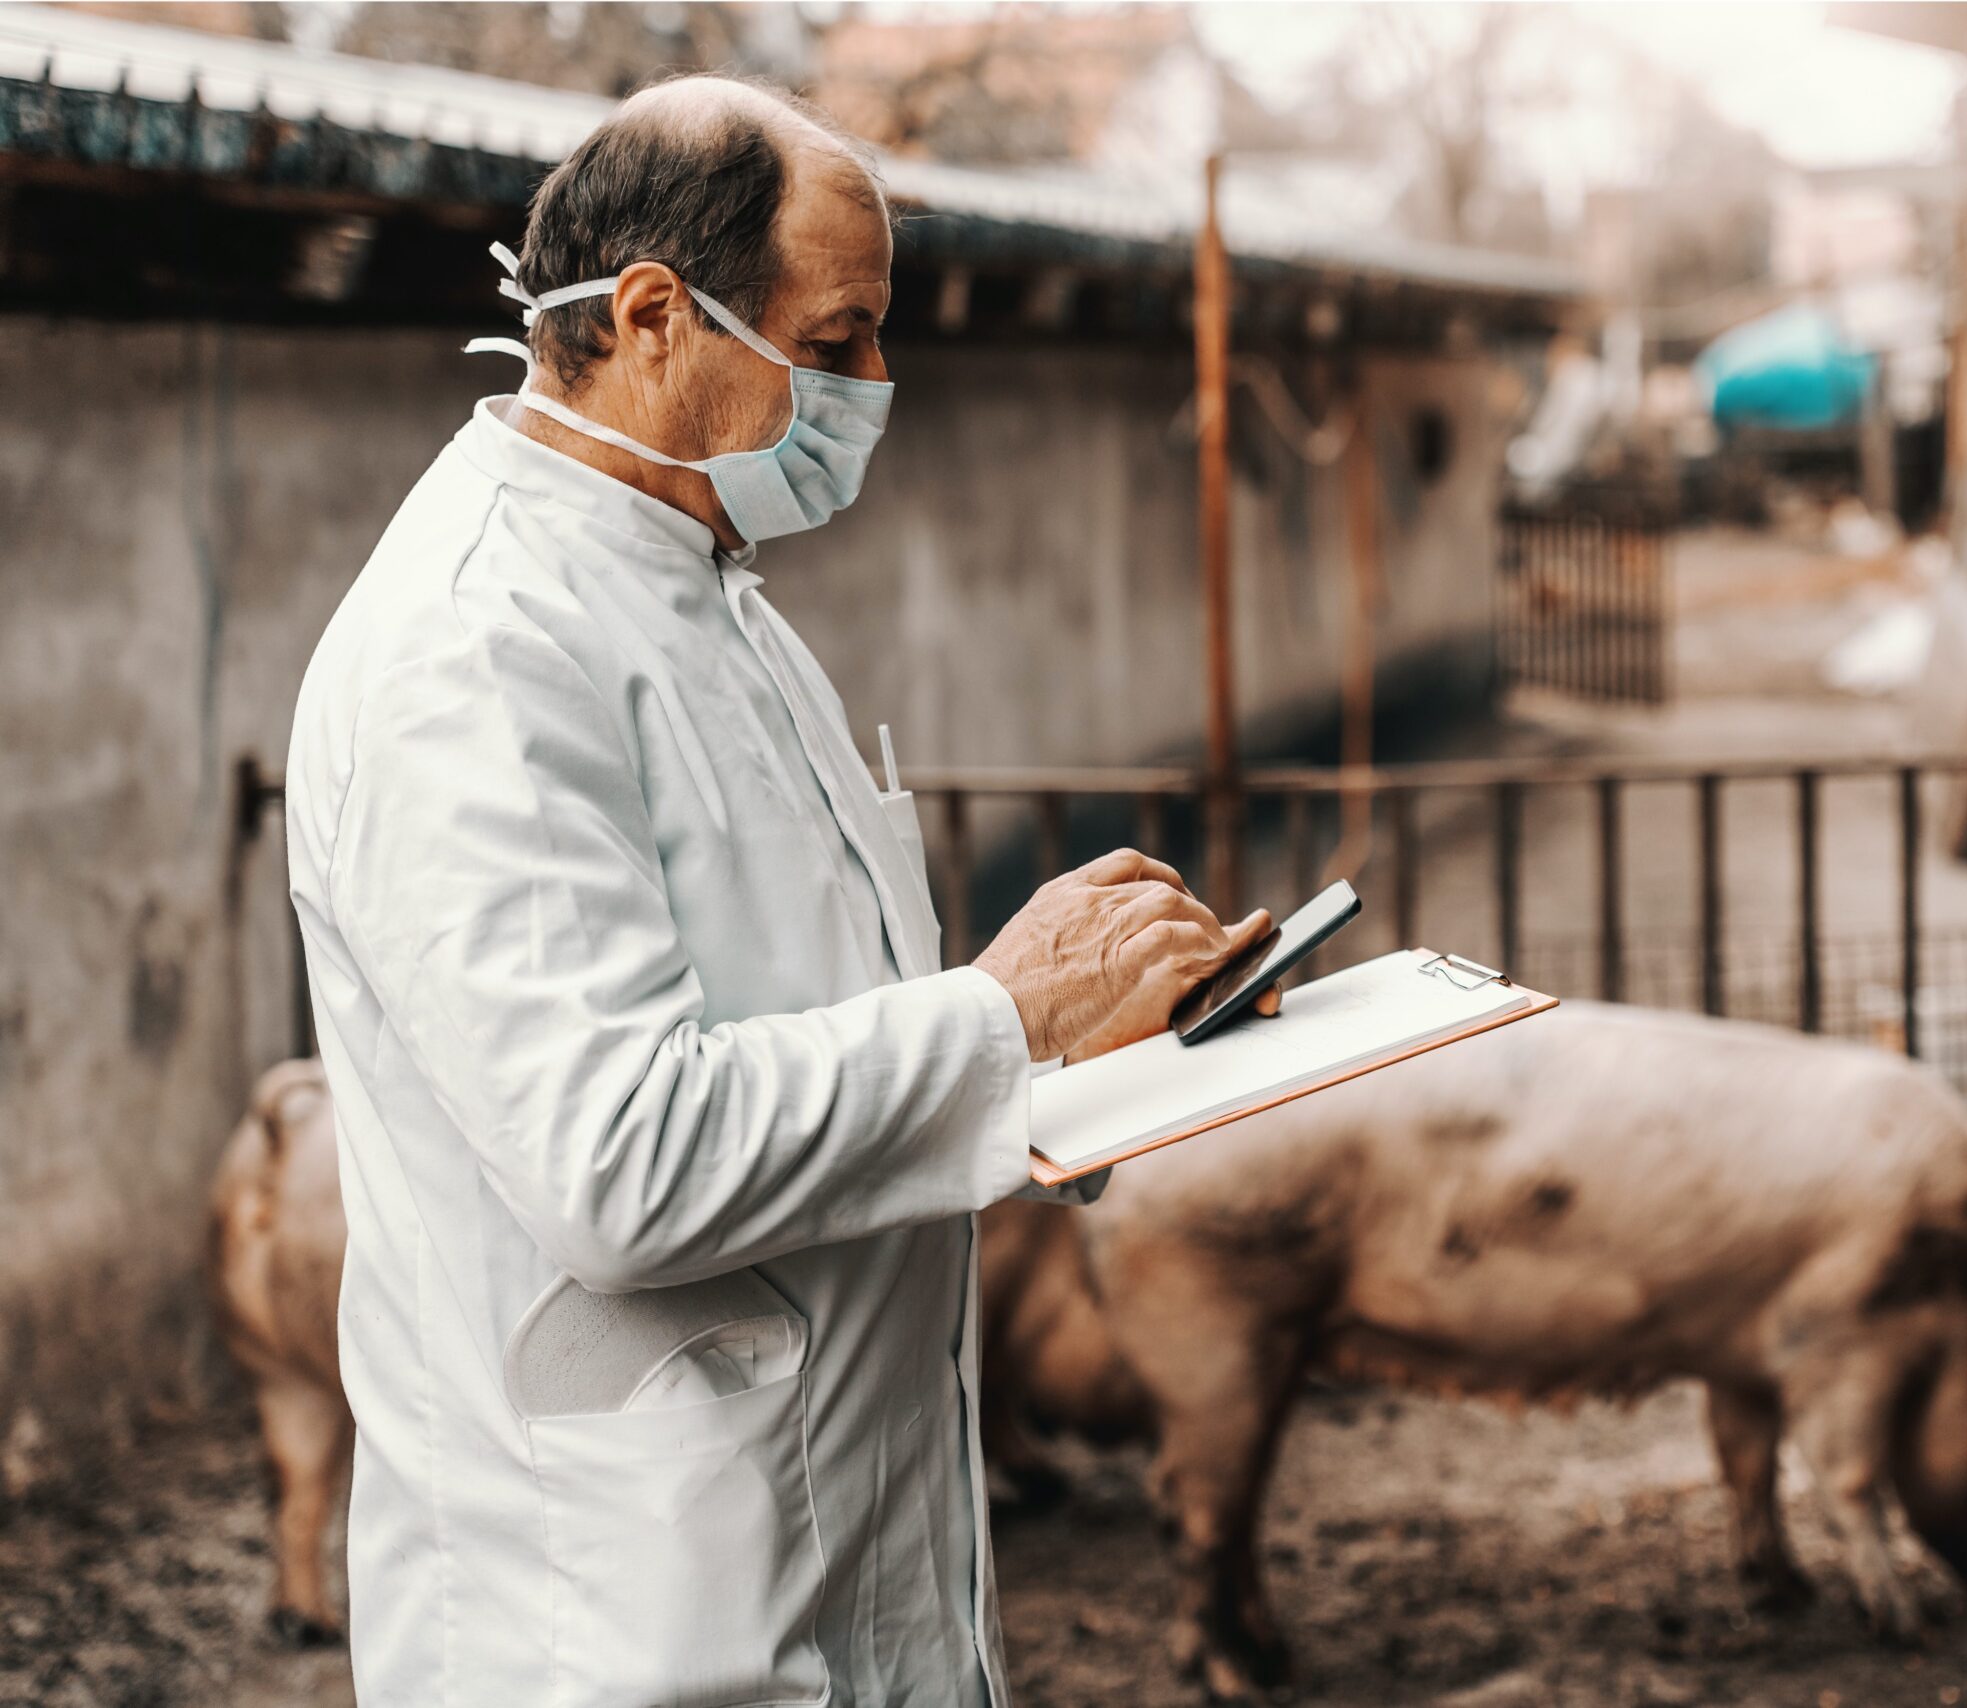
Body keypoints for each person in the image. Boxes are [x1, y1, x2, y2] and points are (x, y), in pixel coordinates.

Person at [284, 74, 1266, 1707]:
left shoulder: (713, 598)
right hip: (621, 1616)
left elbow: (829, 1049)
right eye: (835, 343)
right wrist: (1005, 1014)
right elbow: (622, 1165)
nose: (876, 388)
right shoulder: (475, 651)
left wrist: (1102, 1052)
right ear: (658, 316)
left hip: (828, 1544)